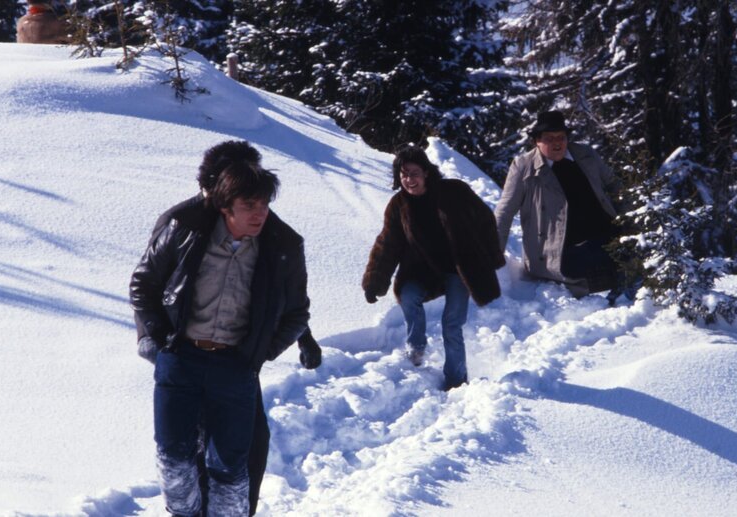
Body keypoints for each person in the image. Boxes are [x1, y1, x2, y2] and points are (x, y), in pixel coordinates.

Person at [133, 141, 321, 515]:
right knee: (176, 458)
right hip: (180, 358)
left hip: (234, 365)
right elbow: (146, 285)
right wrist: (156, 341)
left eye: (262, 203)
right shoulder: (184, 225)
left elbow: (295, 311)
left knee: (234, 462)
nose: (259, 213)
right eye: (248, 203)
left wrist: (254, 355)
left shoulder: (280, 243)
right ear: (221, 195)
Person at [362, 146, 505, 391]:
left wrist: (489, 258)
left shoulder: (454, 191)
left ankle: (456, 380)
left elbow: (485, 220)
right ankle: (416, 348)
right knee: (408, 297)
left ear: (427, 172)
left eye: (414, 173)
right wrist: (375, 280)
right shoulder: (398, 204)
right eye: (403, 174)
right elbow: (388, 243)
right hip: (420, 271)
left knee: (451, 324)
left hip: (458, 270)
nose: (409, 179)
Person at [494, 110, 623, 299]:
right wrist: (494, 258)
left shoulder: (585, 155)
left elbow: (615, 186)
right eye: (549, 138)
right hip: (558, 250)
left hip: (603, 235)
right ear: (537, 141)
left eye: (561, 137)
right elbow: (504, 213)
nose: (557, 143)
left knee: (628, 255)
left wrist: (631, 223)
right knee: (591, 261)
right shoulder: (523, 166)